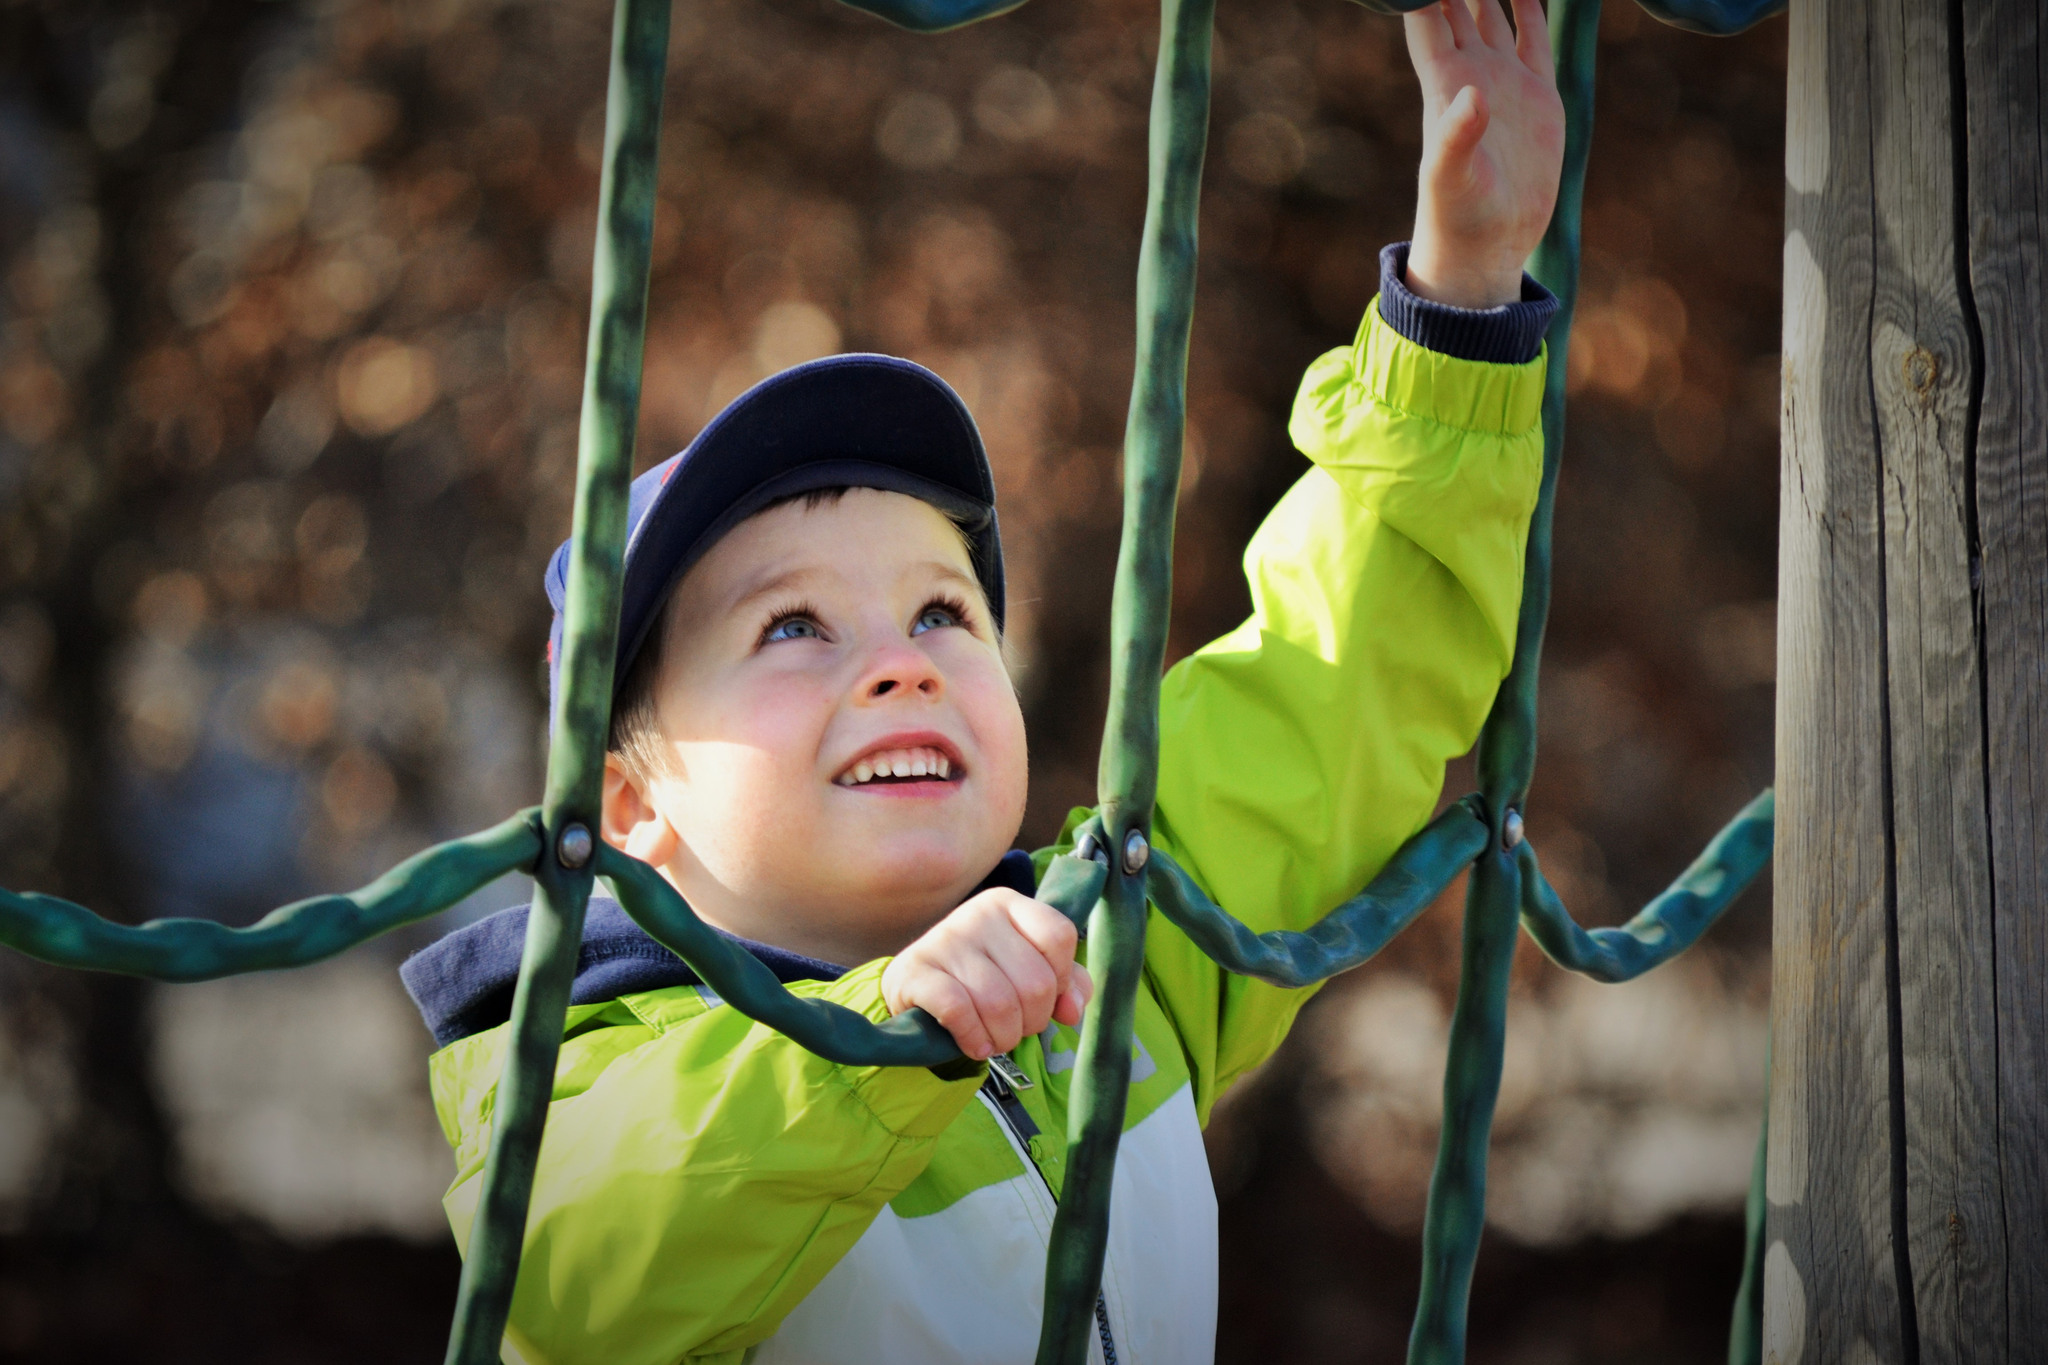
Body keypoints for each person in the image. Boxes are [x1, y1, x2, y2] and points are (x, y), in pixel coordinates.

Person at [400, 2, 1565, 1360]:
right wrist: (890, 1034)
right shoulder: (579, 1088)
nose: (901, 661)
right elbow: (590, 1268)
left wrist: (1463, 290)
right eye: (791, 627)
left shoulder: (1115, 959)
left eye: (943, 609)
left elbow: (1328, 682)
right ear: (628, 803)